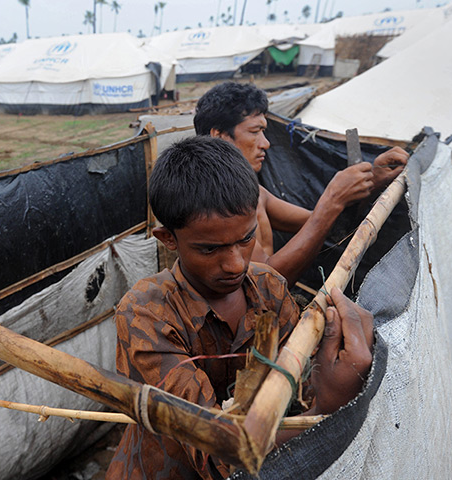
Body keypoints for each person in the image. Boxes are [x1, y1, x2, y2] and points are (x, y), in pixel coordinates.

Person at [106, 136, 374, 479]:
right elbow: (217, 450)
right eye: (209, 249)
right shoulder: (145, 315)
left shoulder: (269, 288)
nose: (235, 264)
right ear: (169, 239)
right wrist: (327, 406)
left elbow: (300, 384)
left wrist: (327, 372)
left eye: (246, 239)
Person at [194, 82, 409, 286]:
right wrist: (332, 198)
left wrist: (371, 183)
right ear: (220, 136)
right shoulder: (214, 200)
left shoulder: (257, 193)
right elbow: (265, 285)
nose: (266, 143)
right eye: (254, 132)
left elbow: (327, 226)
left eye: (264, 132)